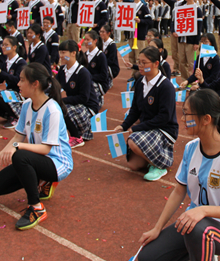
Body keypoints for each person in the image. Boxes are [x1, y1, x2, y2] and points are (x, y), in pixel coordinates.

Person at [137, 89, 220, 261]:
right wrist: (157, 228)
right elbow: (178, 191)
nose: (182, 119)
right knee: (148, 257)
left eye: (187, 114)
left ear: (206, 119)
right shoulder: (191, 148)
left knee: (200, 232)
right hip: (194, 222)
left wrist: (203, 210)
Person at [0, 63, 73, 231]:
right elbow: (17, 136)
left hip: (58, 162)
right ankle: (42, 180)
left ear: (35, 84)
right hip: (36, 159)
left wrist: (18, 147)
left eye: (22, 80)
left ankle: (36, 207)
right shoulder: (26, 106)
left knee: (20, 156)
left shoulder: (52, 110)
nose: (18, 83)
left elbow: (46, 149)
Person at [114, 47, 179, 181]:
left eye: (144, 62)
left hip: (164, 129)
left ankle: (161, 165)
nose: (140, 66)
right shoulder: (140, 83)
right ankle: (152, 160)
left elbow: (164, 118)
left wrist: (136, 128)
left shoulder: (165, 86)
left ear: (156, 64)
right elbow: (135, 110)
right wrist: (124, 126)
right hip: (148, 128)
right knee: (133, 165)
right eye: (139, 62)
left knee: (133, 141)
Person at [57, 40, 100, 147]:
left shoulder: (83, 72)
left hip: (88, 107)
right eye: (60, 52)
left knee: (62, 108)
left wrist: (62, 101)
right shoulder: (62, 70)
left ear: (73, 53)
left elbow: (84, 98)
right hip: (75, 104)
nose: (61, 56)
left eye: (64, 53)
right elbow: (54, 87)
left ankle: (76, 137)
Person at [0, 36, 27, 128]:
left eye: (6, 45)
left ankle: (16, 117)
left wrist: (1, 73)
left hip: (19, 95)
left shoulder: (20, 63)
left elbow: (18, 80)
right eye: (2, 45)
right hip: (8, 95)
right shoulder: (5, 63)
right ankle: (9, 114)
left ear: (14, 47)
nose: (3, 47)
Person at [158, 0, 186, 77]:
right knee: (174, 51)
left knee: (181, 52)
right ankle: (176, 68)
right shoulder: (174, 3)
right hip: (174, 29)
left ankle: (183, 69)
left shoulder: (185, 3)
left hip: (183, 30)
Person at [81, 29, 110, 108]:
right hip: (88, 81)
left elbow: (104, 75)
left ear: (95, 41)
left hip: (98, 83)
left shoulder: (100, 56)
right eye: (85, 39)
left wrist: (88, 77)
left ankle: (99, 98)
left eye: (88, 40)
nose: (86, 42)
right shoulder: (84, 55)